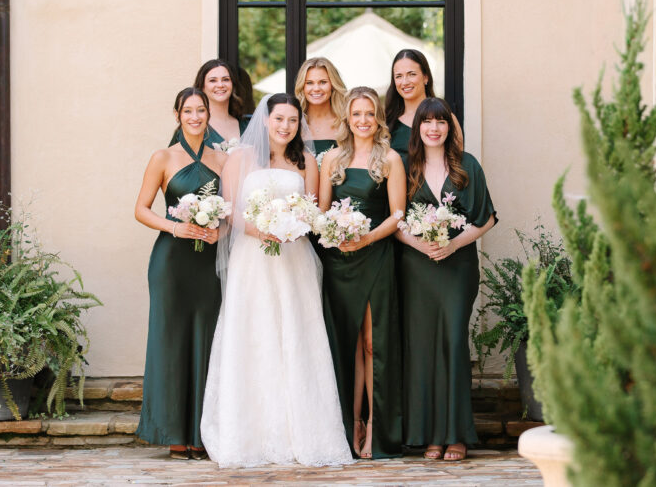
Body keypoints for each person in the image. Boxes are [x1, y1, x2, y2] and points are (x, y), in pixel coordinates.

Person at [200, 94, 352, 468]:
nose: (285, 126)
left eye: (292, 121)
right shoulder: (240, 158)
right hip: (252, 259)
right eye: (279, 119)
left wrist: (293, 225)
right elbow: (231, 210)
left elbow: (314, 209)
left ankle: (301, 430)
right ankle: (249, 433)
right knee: (254, 334)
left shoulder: (306, 162)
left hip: (294, 259)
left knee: (295, 335)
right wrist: (261, 230)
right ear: (265, 121)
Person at [395, 97, 497, 462]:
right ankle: (429, 436)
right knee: (422, 348)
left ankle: (457, 435)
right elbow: (396, 220)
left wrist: (452, 244)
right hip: (417, 267)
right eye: (427, 122)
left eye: (441, 122)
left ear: (449, 128)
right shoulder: (406, 167)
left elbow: (487, 218)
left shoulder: (466, 166)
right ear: (417, 128)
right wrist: (422, 246)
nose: (434, 128)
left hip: (457, 267)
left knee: (453, 343)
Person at [134, 88, 226, 459]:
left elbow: (231, 208)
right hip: (172, 260)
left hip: (209, 263)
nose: (194, 117)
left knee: (207, 339)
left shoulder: (222, 160)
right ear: (177, 114)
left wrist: (222, 228)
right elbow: (141, 209)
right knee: (170, 342)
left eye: (200, 110)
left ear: (208, 115)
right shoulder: (163, 157)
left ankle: (201, 432)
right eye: (187, 111)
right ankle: (173, 431)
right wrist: (176, 227)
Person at [318, 87, 405, 459]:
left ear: (378, 118)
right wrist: (335, 233)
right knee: (347, 344)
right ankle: (350, 423)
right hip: (339, 261)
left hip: (375, 256)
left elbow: (398, 214)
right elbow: (320, 212)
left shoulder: (391, 160)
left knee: (372, 344)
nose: (363, 121)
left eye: (370, 114)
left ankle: (375, 429)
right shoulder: (332, 159)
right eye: (357, 114)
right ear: (347, 119)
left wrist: (366, 236)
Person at [294, 56, 347, 157]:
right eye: (309, 83)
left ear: (333, 85)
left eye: (323, 82)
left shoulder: (346, 122)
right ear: (302, 87)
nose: (316, 88)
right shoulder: (293, 123)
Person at [194, 59, 250, 148]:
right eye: (213, 80)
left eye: (226, 79)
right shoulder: (193, 125)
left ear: (233, 85)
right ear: (202, 87)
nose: (220, 85)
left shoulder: (247, 126)